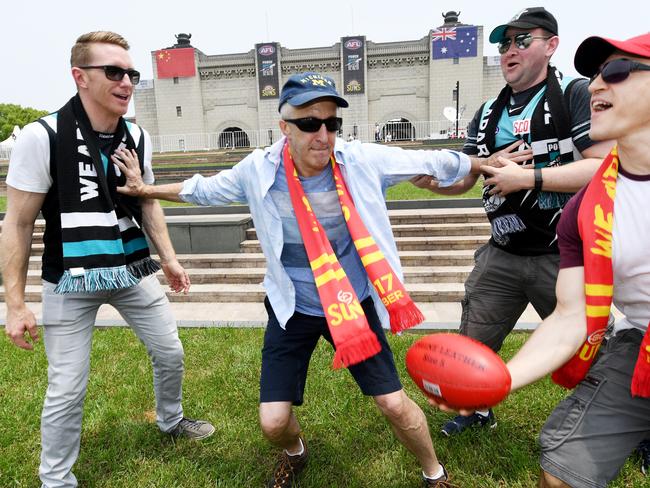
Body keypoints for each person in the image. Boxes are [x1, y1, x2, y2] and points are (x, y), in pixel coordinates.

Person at [115, 71, 485, 487]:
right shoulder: (258, 170)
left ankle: (435, 475)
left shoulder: (360, 160)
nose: (323, 134)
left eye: (332, 123)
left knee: (394, 403)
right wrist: (145, 190)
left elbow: (432, 161)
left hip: (351, 301)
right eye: (310, 123)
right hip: (293, 306)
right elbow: (202, 190)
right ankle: (296, 452)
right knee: (273, 423)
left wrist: (483, 164)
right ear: (284, 127)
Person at [435, 31, 650, 488]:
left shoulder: (561, 97)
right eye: (594, 76)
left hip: (546, 255)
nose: (594, 86)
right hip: (637, 342)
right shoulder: (585, 210)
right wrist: (495, 382)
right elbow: (570, 316)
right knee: (560, 473)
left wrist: (529, 176)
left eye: (615, 72)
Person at [0, 31, 214, 488]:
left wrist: (170, 259)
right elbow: (17, 223)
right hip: (70, 280)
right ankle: (55, 480)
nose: (127, 82)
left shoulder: (136, 134)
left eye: (131, 73)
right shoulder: (42, 137)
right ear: (80, 77)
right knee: (67, 387)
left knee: (170, 353)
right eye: (113, 72)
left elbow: (148, 202)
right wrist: (15, 305)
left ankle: (171, 420)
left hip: (131, 269)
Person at [412, 7, 611, 436]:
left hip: (562, 256)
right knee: (472, 343)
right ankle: (477, 409)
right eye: (504, 44)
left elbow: (602, 168)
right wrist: (435, 184)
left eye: (523, 41)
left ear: (551, 45)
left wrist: (529, 177)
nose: (510, 51)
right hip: (501, 253)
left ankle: (624, 424)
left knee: (590, 350)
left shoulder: (574, 94)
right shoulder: (486, 112)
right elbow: (467, 179)